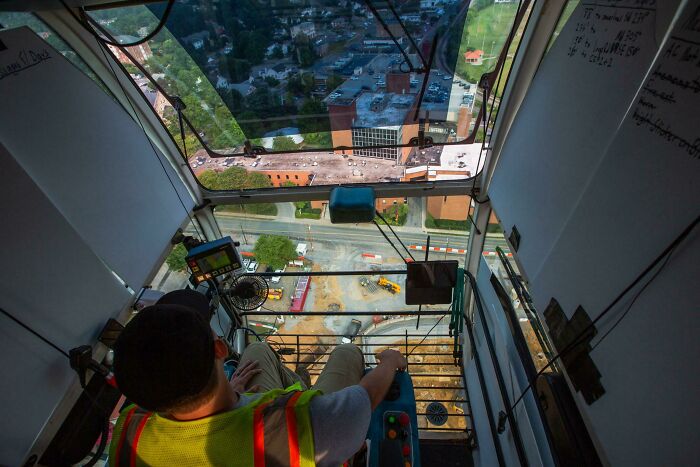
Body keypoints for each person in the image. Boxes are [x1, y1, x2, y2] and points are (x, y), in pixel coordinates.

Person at [109, 289, 407, 467]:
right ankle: (303, 384)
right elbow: (363, 400)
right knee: (346, 353)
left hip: (241, 403)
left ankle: (299, 381)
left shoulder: (128, 432)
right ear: (220, 348)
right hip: (304, 421)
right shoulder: (290, 426)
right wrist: (390, 362)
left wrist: (230, 392)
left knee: (258, 349)